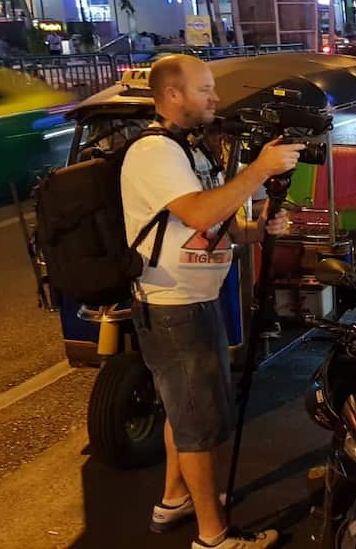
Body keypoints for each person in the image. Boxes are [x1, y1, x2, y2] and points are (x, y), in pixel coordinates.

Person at [121, 55, 302, 549]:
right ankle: (213, 536)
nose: (216, 98)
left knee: (186, 411)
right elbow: (199, 210)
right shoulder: (154, 152)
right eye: (205, 89)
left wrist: (257, 228)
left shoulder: (189, 151)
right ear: (173, 94)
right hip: (173, 305)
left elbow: (214, 225)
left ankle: (176, 497)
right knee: (200, 424)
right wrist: (260, 170)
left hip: (196, 299)